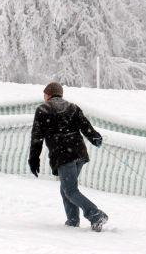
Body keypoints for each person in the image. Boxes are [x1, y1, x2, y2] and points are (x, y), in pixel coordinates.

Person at [28, 82, 108, 232]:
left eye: (44, 94)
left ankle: (95, 215)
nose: (43, 97)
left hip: (63, 155)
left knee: (70, 190)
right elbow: (86, 127)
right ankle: (72, 221)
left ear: (48, 94)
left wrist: (34, 159)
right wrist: (95, 138)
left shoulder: (43, 109)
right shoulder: (73, 107)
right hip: (79, 154)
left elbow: (36, 138)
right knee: (67, 188)